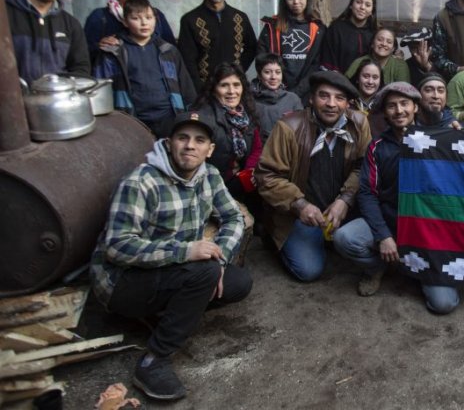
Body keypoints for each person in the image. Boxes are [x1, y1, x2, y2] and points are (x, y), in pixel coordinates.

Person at [90, 112, 252, 401]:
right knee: (204, 274)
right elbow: (118, 247)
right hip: (122, 282)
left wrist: (220, 259)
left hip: (173, 270)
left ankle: (162, 312)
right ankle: (154, 360)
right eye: (182, 138)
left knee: (238, 283)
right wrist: (186, 252)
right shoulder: (141, 181)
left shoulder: (209, 174)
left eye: (199, 140)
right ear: (168, 143)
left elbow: (233, 217)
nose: (190, 146)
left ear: (210, 149)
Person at [333, 82, 460, 313]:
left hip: (427, 233)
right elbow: (367, 194)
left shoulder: (438, 142)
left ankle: (413, 267)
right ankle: (377, 267)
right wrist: (383, 236)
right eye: (392, 106)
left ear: (415, 107)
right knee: (344, 238)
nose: (399, 110)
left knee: (444, 304)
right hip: (390, 223)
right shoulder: (377, 148)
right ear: (385, 112)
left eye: (404, 104)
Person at [255, 71, 371, 282]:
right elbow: (267, 176)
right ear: (311, 98)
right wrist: (300, 205)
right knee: (309, 270)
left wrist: (345, 200)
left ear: (348, 103)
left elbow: (363, 166)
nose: (331, 104)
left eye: (339, 98)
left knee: (359, 241)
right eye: (323, 96)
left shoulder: (359, 123)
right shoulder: (288, 127)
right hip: (299, 214)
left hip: (341, 208)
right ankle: (273, 237)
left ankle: (326, 237)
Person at [93, 0, 196, 138]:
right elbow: (100, 90)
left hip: (168, 115)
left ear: (156, 19)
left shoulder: (167, 50)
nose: (144, 23)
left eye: (149, 17)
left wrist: (191, 112)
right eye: (136, 18)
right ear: (125, 21)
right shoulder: (113, 52)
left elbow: (185, 86)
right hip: (131, 117)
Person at [6, 0, 90, 84]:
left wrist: (61, 90)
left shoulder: (70, 24)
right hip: (12, 97)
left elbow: (81, 68)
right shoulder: (5, 16)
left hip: (57, 96)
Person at [192, 63, 262, 205]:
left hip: (241, 186)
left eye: (236, 85)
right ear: (214, 89)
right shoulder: (204, 118)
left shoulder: (246, 114)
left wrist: (247, 174)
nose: (231, 91)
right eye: (224, 85)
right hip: (211, 190)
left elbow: (257, 148)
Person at [178, 0, 257, 91]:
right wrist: (198, 87)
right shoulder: (190, 19)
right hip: (205, 88)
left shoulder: (240, 18)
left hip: (234, 86)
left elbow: (251, 47)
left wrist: (238, 71)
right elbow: (187, 59)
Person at [84, 0, 176, 62]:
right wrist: (99, 46)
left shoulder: (156, 15)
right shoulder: (99, 17)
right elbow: (83, 51)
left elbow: (171, 49)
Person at [258, 0, 325, 101]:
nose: (296, 2)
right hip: (274, 92)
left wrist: (297, 92)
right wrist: (277, 86)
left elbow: (316, 65)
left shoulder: (318, 28)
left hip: (306, 94)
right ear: (284, 0)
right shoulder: (272, 26)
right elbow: (262, 58)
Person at [320, 0, 377, 74]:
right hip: (338, 79)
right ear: (351, 5)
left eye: (368, 5)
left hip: (367, 80)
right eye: (358, 2)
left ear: (372, 11)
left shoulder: (374, 33)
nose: (362, 7)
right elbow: (328, 59)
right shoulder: (336, 29)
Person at [251, 53, 302, 143]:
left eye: (278, 72)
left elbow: (301, 131)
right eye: (267, 72)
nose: (273, 77)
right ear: (259, 75)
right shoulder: (250, 99)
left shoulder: (293, 99)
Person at [346, 27, 410, 85]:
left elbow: (404, 90)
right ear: (372, 44)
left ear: (393, 48)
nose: (384, 44)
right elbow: (346, 84)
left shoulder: (400, 65)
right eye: (380, 40)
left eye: (389, 42)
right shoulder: (359, 62)